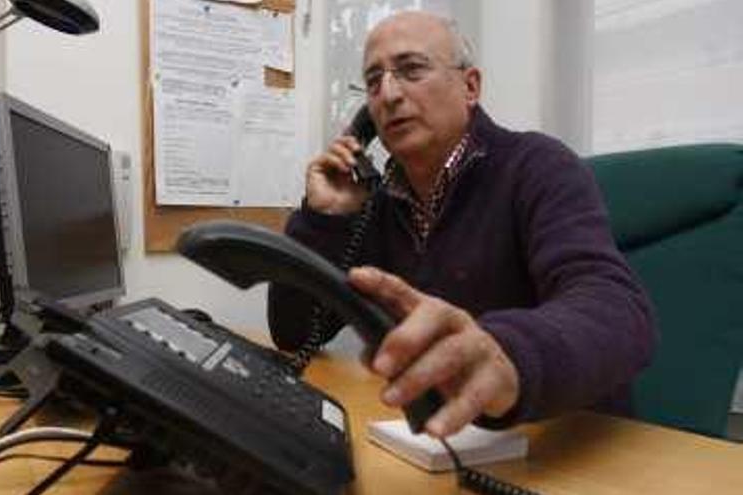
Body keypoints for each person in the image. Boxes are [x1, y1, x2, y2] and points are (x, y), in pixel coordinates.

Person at [267, 11, 657, 438]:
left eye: (411, 69)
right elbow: (295, 332)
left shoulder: (539, 166)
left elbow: (618, 309)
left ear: (470, 87)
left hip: (559, 440)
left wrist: (506, 355)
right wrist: (325, 220)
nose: (389, 94)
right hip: (442, 437)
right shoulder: (376, 206)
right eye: (373, 80)